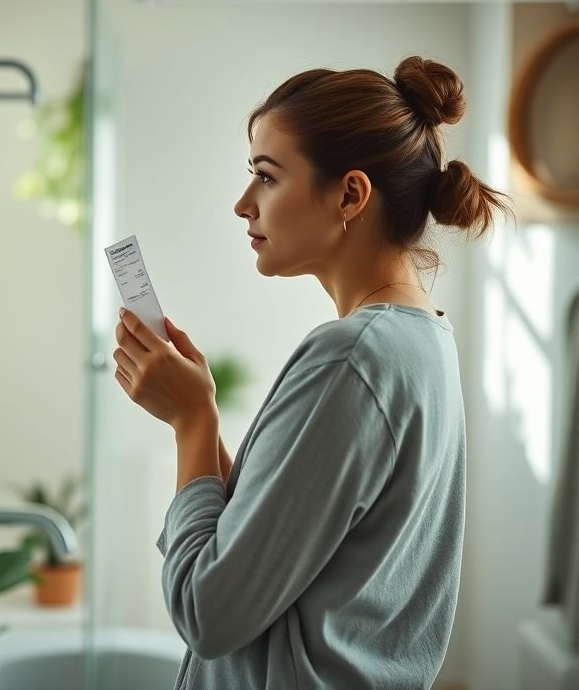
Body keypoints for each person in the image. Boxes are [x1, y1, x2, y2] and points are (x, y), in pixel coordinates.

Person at [111, 56, 512, 689]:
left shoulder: (353, 359)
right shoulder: (420, 339)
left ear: (351, 194)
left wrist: (190, 419)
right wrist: (199, 411)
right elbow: (262, 550)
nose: (243, 204)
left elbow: (207, 611)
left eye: (267, 178)